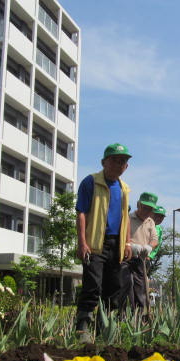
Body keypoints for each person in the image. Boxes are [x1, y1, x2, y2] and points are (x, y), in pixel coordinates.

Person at [75, 143, 132, 341]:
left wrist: (127, 243)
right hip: (95, 243)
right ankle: (83, 328)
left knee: (113, 288)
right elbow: (81, 212)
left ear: (126, 166)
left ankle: (105, 328)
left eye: (123, 161)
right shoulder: (90, 182)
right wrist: (82, 242)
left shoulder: (124, 189)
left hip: (116, 245)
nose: (119, 164)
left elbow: (126, 216)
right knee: (92, 286)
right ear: (104, 162)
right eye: (115, 160)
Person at [127, 192, 159, 311]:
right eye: (145, 208)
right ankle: (126, 314)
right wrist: (132, 246)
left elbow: (154, 239)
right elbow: (123, 238)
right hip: (129, 258)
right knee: (128, 286)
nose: (147, 211)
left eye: (150, 209)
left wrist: (149, 247)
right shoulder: (129, 218)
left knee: (141, 289)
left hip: (142, 260)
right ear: (138, 205)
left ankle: (140, 316)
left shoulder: (150, 221)